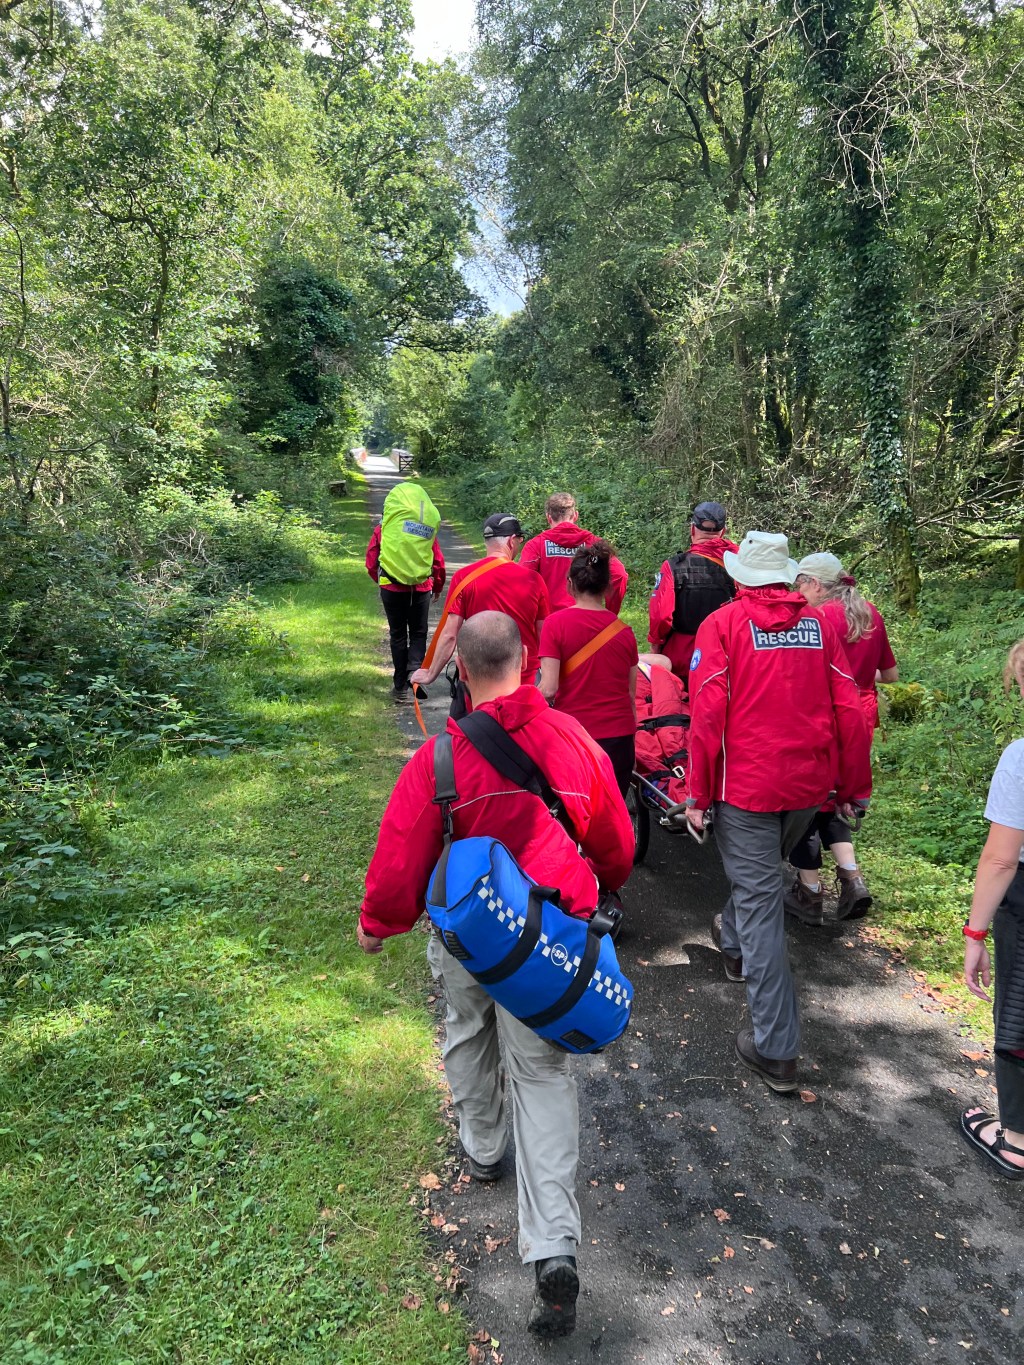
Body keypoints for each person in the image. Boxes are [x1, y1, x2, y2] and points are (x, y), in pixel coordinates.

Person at [359, 612, 635, 1335]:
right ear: (526, 658)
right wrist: (601, 882)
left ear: (464, 675)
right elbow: (615, 842)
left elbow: (400, 856)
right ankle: (552, 1250)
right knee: (542, 1074)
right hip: (547, 944)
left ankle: (483, 1148)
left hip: (465, 940)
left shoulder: (439, 763)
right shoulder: (573, 742)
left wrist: (376, 924)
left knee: (465, 1028)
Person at [685, 531, 872, 1092]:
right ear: (788, 579)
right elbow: (852, 708)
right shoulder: (821, 628)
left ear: (740, 578)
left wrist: (696, 795)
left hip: (744, 788)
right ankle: (734, 945)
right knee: (761, 879)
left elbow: (706, 714)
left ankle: (777, 1049)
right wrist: (851, 786)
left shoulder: (723, 626)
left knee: (762, 902)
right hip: (806, 787)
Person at [785, 552, 899, 923]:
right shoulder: (869, 614)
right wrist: (859, 677)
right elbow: (891, 675)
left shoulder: (816, 618)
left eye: (800, 582)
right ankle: (851, 876)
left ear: (816, 584)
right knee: (838, 798)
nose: (796, 589)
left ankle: (810, 892)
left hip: (823, 713)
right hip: (860, 715)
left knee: (808, 802)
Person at [960, 639, 1024, 1179]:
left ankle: (1017, 1139)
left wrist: (974, 933)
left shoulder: (1021, 758)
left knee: (1018, 1008)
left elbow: (1001, 860)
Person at [409, 514, 549, 711]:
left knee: (472, 736)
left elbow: (450, 635)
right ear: (511, 540)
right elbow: (544, 636)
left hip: (478, 684)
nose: (520, 545)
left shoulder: (463, 578)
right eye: (520, 540)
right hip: (523, 682)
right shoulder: (534, 580)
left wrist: (431, 674)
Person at [539, 540, 639, 795]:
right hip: (619, 741)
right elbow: (630, 697)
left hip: (575, 737)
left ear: (570, 584)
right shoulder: (625, 632)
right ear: (607, 587)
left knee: (572, 815)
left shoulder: (555, 624)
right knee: (611, 817)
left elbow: (549, 689)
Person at [648, 501, 739, 679]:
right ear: (723, 532)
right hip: (725, 655)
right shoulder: (739, 566)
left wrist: (655, 646)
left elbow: (661, 616)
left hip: (682, 657)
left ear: (692, 529)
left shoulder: (674, 566)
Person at [366, 503, 445, 703]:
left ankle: (400, 686)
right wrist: (437, 586)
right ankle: (414, 674)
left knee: (398, 635)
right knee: (419, 632)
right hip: (420, 588)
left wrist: (382, 581)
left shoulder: (382, 530)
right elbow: (438, 562)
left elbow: (371, 560)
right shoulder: (423, 530)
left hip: (391, 589)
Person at [520, 492, 628, 614]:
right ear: (575, 515)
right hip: (585, 619)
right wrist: (610, 612)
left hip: (549, 622)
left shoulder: (536, 545)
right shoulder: (592, 543)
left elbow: (522, 583)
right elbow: (619, 575)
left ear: (548, 517)